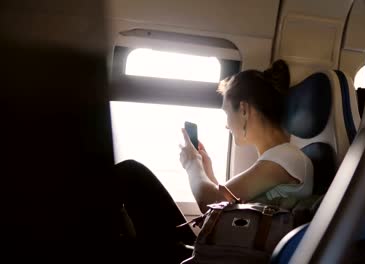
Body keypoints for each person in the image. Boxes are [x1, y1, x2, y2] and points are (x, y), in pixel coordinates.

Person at [114, 59, 313, 262]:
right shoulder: (279, 158)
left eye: (227, 113)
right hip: (221, 252)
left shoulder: (287, 157)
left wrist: (193, 164)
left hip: (223, 257)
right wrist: (206, 169)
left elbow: (211, 202)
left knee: (130, 174)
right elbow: (224, 208)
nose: (226, 125)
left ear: (244, 109)